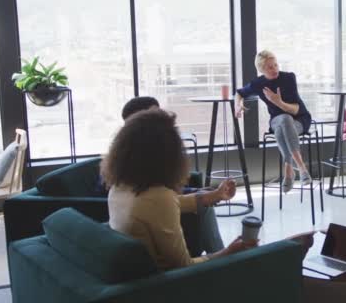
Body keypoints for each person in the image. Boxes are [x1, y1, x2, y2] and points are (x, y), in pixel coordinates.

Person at [102, 109, 257, 271]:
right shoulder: (160, 197)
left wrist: (213, 196)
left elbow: (155, 205)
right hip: (170, 285)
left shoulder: (119, 187)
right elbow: (184, 266)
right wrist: (228, 253)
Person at [235, 50, 312, 193]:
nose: (275, 69)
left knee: (286, 120)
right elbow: (239, 93)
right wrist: (238, 105)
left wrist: (279, 102)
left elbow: (295, 110)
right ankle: (301, 168)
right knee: (283, 119)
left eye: (276, 65)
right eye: (270, 67)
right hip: (276, 121)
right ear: (261, 70)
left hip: (300, 119)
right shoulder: (258, 84)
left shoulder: (289, 78)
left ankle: (289, 169)